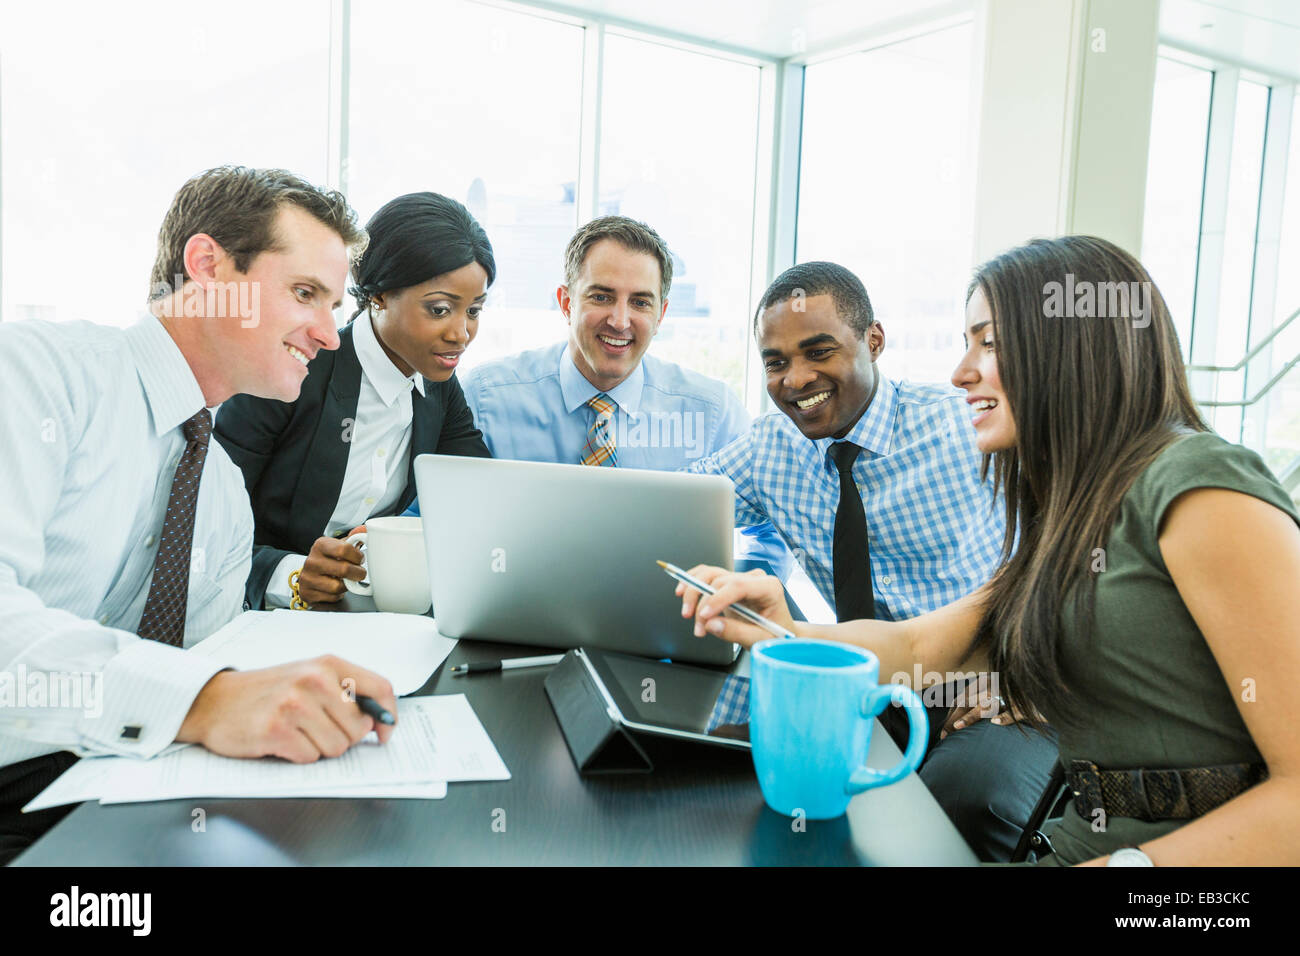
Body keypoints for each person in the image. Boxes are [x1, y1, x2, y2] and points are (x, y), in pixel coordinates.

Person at [678, 236, 1300, 866]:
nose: (960, 372)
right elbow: (922, 647)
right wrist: (785, 630)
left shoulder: (1198, 484)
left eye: (990, 342)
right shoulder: (1069, 515)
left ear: (1073, 345)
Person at [0, 166, 398, 864]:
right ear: (208, 266)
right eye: (305, 293)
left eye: (334, 306)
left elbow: (207, 664)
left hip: (97, 792)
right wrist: (210, 701)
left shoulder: (220, 490)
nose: (329, 336)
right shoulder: (38, 376)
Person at [685, 261, 1057, 861]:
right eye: (775, 362)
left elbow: (1062, 542)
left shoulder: (965, 423)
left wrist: (1031, 665)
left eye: (819, 351)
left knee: (958, 800)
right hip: (867, 670)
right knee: (725, 761)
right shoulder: (768, 447)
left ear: (874, 341)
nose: (795, 379)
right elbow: (676, 502)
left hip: (982, 676)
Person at [434, 214, 785, 566]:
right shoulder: (484, 397)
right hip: (512, 612)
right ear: (567, 302)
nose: (620, 321)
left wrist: (728, 600)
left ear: (661, 314)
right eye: (601, 297)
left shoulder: (712, 412)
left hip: (667, 615)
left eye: (640, 302)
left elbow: (771, 531)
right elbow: (429, 517)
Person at [215, 192, 493, 611]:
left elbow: (479, 493)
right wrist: (290, 573)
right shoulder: (293, 371)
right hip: (257, 616)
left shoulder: (437, 386)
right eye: (439, 310)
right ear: (377, 295)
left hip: (361, 614)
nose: (461, 333)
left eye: (473, 311)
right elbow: (204, 527)